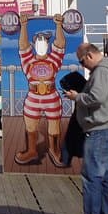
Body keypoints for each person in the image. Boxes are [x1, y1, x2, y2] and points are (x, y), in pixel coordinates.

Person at [64, 42, 108, 214]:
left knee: (91, 176)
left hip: (99, 130)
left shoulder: (101, 72)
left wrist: (76, 97)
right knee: (104, 175)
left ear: (89, 56)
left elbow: (96, 97)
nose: (83, 66)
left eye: (82, 61)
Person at [15, 13, 66, 166]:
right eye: (39, 40)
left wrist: (58, 25)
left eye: (44, 40)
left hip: (51, 96)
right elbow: (23, 45)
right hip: (33, 96)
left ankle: (54, 149)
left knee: (54, 125)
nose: (42, 43)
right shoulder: (28, 60)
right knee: (30, 125)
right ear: (34, 43)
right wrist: (23, 26)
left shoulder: (54, 59)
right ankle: (31, 150)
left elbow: (61, 44)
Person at [57, 70, 86, 167]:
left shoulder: (86, 91)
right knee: (71, 137)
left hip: (83, 116)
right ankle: (65, 160)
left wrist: (75, 96)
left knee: (72, 137)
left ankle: (66, 160)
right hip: (81, 115)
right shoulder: (86, 86)